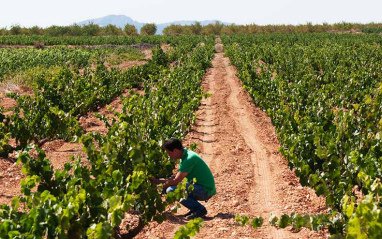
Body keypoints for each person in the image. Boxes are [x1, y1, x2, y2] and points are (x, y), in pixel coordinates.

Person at [149, 138, 216, 219]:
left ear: (175, 151)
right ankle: (195, 208)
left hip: (205, 190)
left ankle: (199, 209)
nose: (168, 155)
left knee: (171, 190)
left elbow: (176, 181)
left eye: (169, 153)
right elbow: (176, 178)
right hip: (200, 187)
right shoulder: (185, 156)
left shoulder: (189, 159)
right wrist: (156, 181)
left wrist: (159, 187)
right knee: (174, 187)